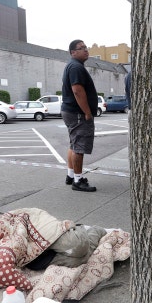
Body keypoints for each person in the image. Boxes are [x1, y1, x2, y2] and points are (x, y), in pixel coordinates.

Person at [61, 40, 98, 192]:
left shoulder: (73, 66)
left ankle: (71, 176)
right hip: (77, 113)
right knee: (79, 147)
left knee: (74, 144)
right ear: (73, 52)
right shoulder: (76, 67)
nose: (85, 50)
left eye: (85, 47)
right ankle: (78, 180)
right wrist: (87, 112)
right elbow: (77, 90)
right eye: (81, 48)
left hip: (70, 111)